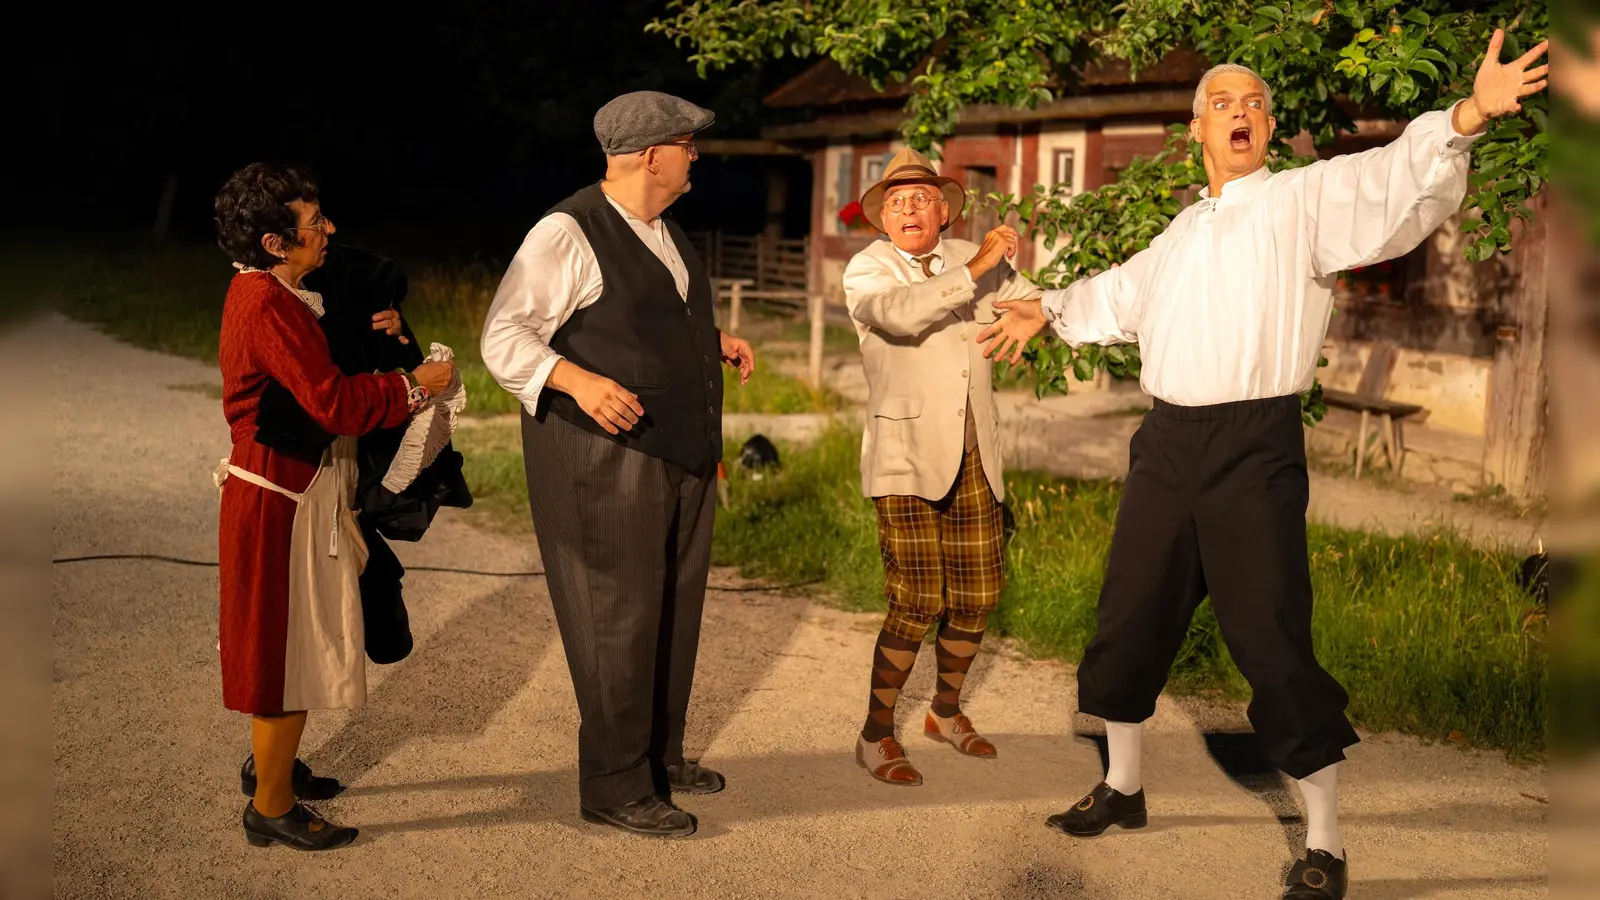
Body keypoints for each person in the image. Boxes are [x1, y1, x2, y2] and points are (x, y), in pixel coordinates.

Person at [980, 29, 1548, 900]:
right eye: (1222, 103)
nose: (1239, 112)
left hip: (1254, 447)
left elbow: (1392, 177)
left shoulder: (1300, 201)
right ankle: (1123, 787)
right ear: (1196, 129)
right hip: (1166, 445)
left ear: (1270, 127)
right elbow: (1116, 295)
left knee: (1272, 638)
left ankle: (1325, 842)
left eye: (1254, 103)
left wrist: (1467, 115)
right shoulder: (1180, 230)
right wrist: (1047, 310)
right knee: (1128, 617)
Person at [480, 91, 755, 839]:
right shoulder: (567, 231)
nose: (696, 156)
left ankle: (659, 758)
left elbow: (642, 317)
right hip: (606, 456)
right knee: (617, 613)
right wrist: (576, 380)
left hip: (681, 449)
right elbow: (505, 337)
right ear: (650, 155)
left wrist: (711, 341)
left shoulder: (664, 229)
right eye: (688, 144)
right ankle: (614, 783)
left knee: (674, 606)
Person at [213, 162, 455, 850]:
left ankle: (273, 767)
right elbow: (334, 402)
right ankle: (271, 806)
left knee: (292, 642)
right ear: (274, 243)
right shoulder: (265, 303)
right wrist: (416, 384)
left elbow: (325, 362)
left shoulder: (283, 294)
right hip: (279, 501)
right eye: (314, 222)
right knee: (287, 652)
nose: (329, 229)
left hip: (297, 490)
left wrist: (391, 332)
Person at [841, 148, 1041, 785]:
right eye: (897, 202)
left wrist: (1034, 317)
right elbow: (900, 314)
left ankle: (945, 714)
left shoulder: (970, 255)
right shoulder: (868, 268)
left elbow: (1031, 301)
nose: (909, 209)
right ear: (882, 218)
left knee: (978, 596)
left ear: (943, 211)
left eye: (922, 199)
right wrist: (978, 266)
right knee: (916, 600)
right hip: (905, 455)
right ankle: (875, 734)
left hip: (975, 452)